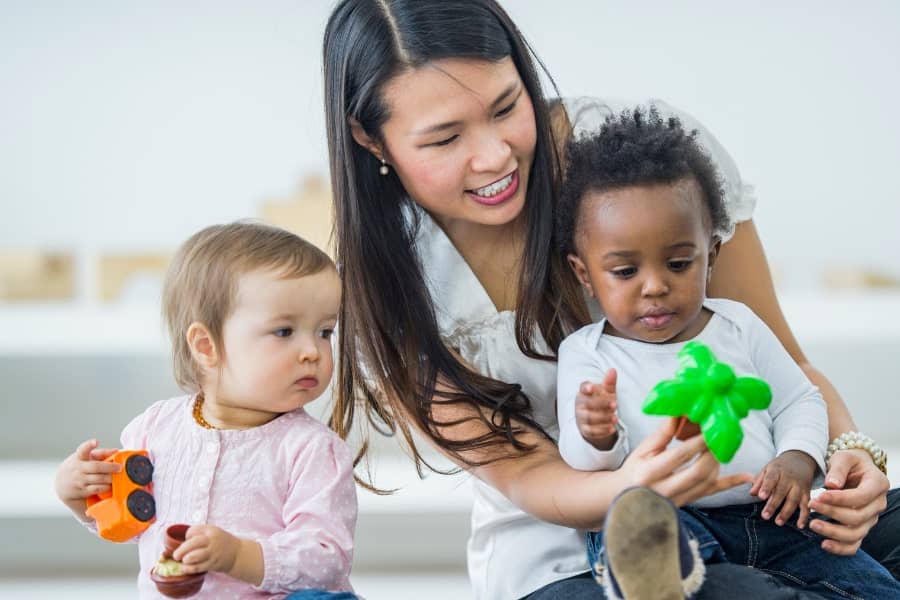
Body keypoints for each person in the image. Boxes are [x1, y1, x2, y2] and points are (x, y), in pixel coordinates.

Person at [321, 1, 898, 598]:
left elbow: (785, 366)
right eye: (444, 138)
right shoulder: (386, 291)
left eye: (506, 106)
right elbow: (527, 475)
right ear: (371, 139)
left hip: (764, 505)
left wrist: (852, 457)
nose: (494, 156)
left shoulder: (651, 166)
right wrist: (637, 487)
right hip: (561, 550)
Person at [554, 106, 900, 599]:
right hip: (673, 517)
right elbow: (584, 465)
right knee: (640, 527)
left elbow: (800, 400)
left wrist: (797, 460)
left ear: (710, 254)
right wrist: (597, 433)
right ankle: (662, 580)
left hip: (774, 520)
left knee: (875, 586)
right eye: (625, 272)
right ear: (585, 274)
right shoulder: (587, 353)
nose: (655, 286)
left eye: (677, 263)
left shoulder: (738, 325)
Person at [55, 222, 358, 599]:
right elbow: (130, 522)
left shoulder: (312, 451)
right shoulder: (154, 429)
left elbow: (327, 560)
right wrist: (80, 497)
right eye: (284, 332)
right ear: (206, 346)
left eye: (325, 331)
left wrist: (238, 556)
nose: (312, 351)